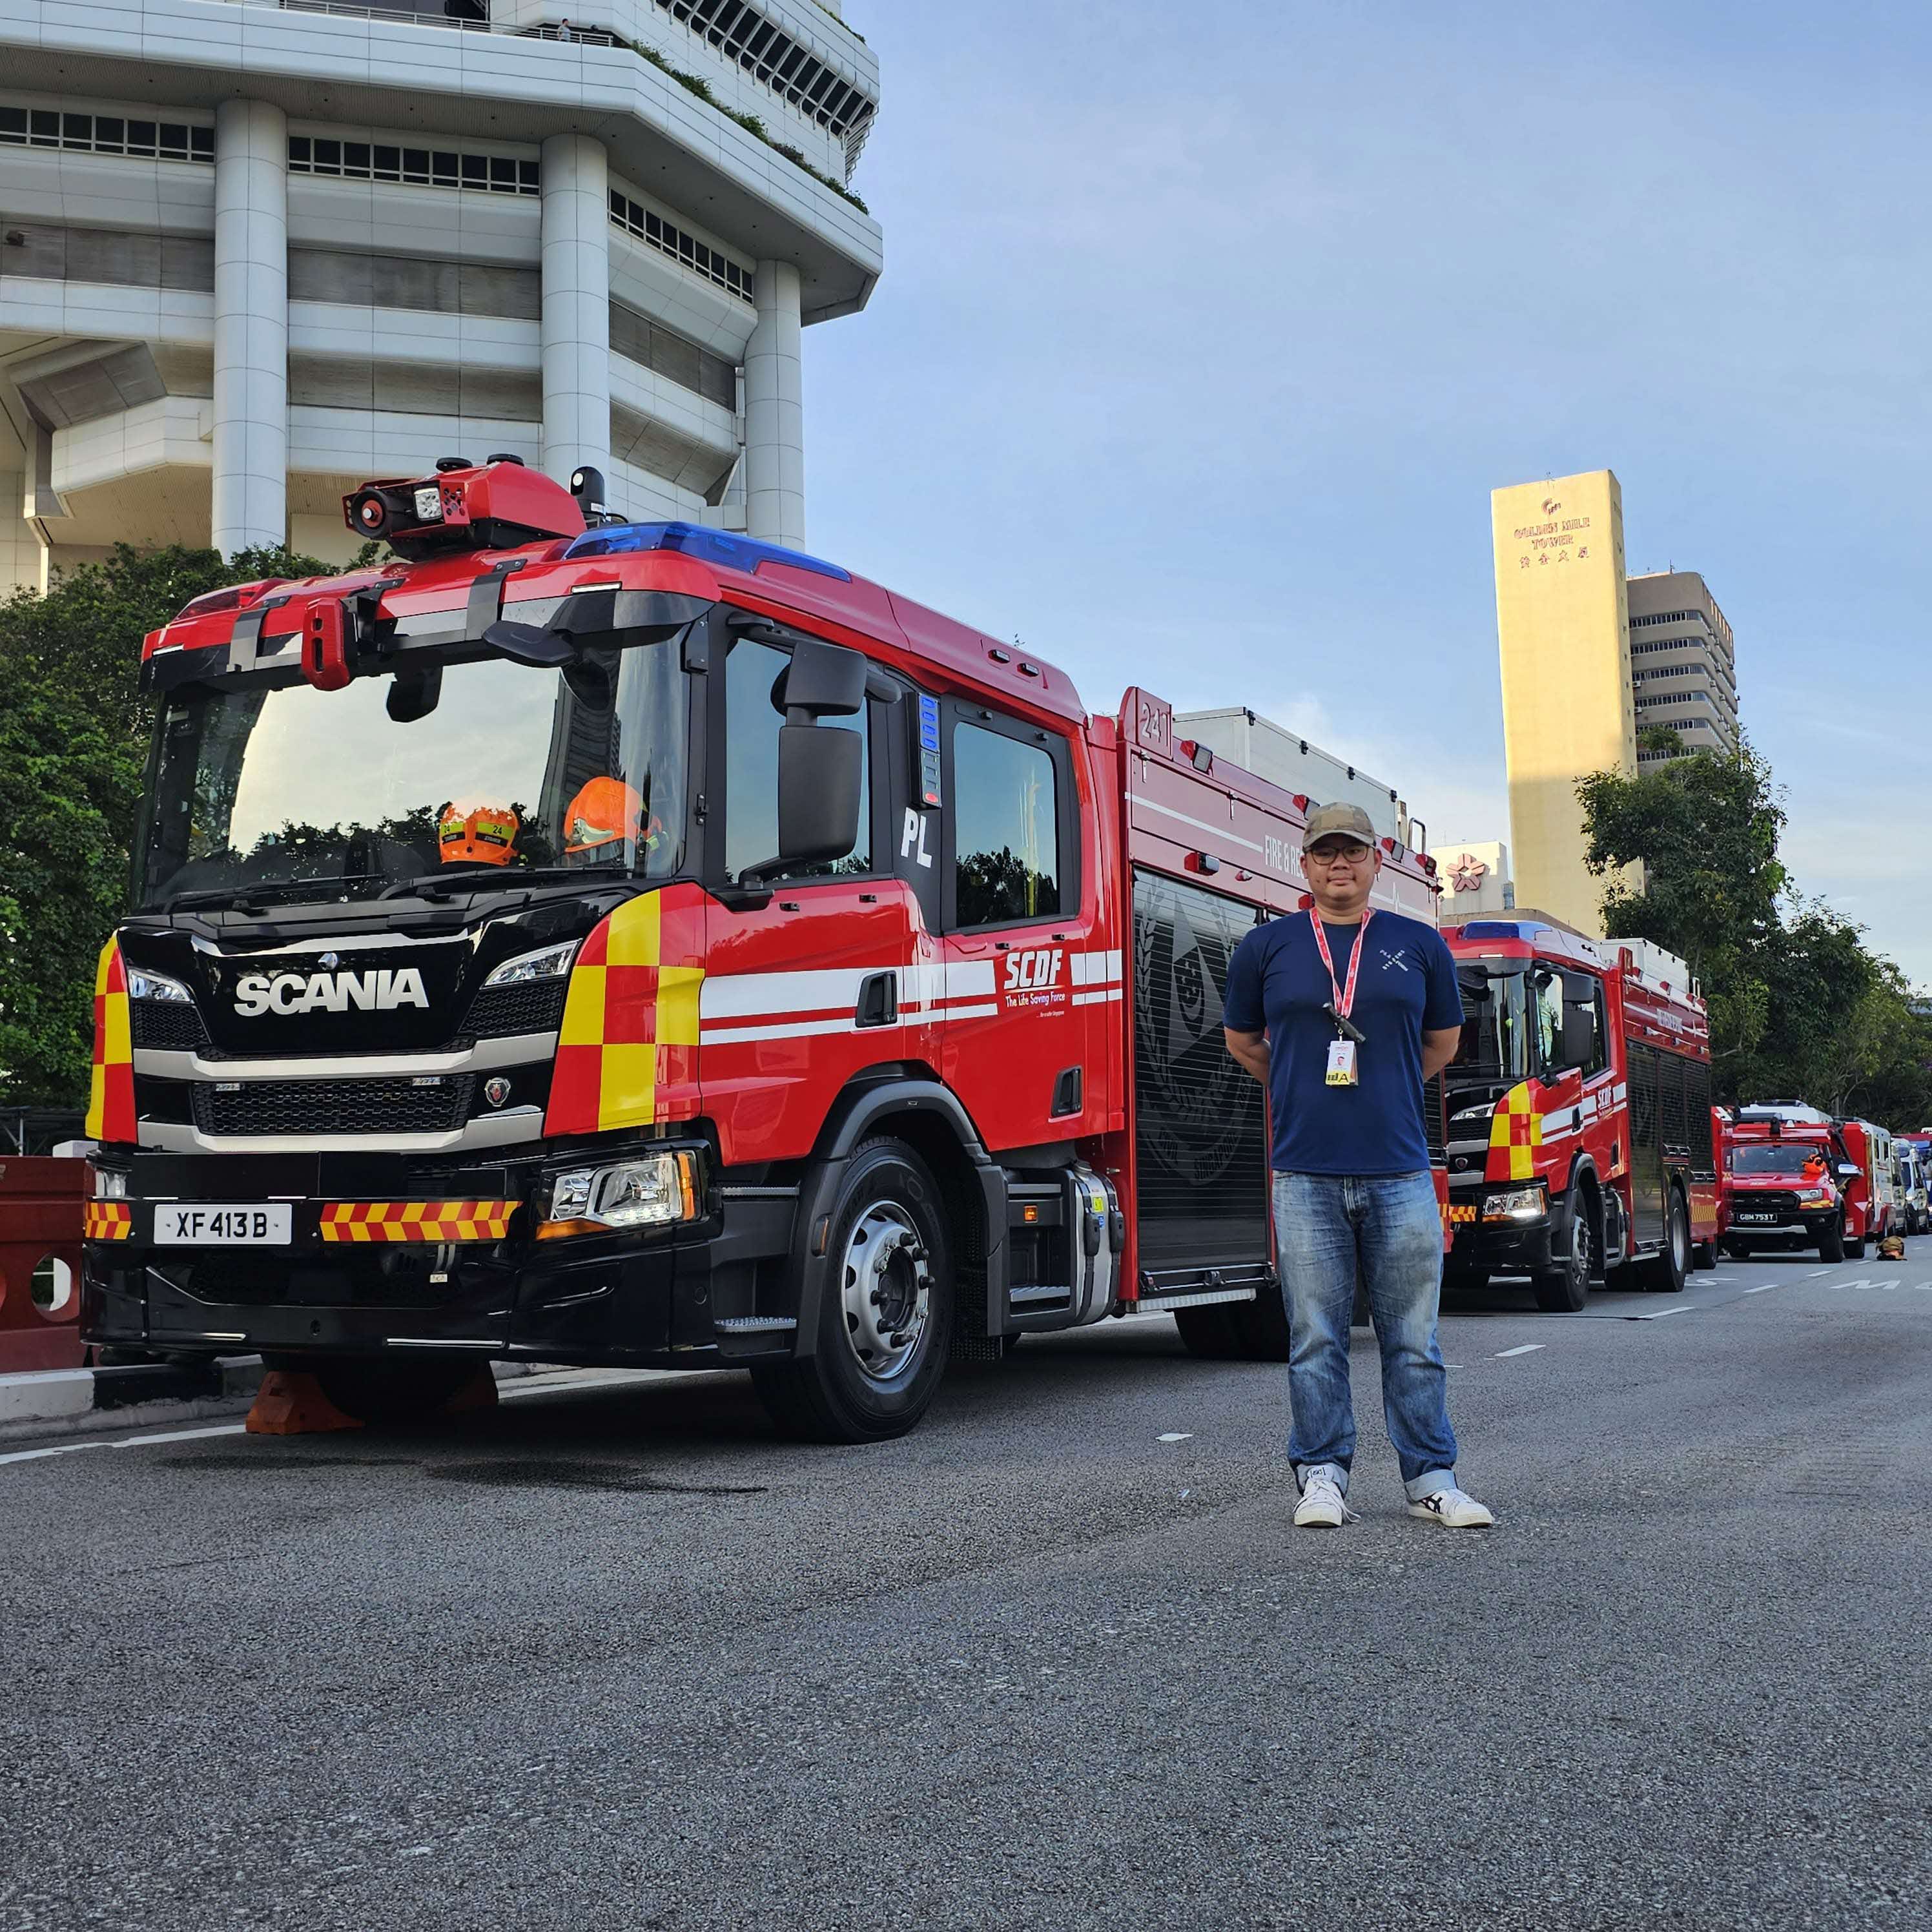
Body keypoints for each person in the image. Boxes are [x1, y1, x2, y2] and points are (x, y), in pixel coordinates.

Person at [1222, 801, 1493, 1530]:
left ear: (1377, 863)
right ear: (1304, 865)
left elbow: (1440, 1043)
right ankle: (1321, 1476)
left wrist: (1388, 1087)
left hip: (1399, 1168)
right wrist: (1297, 1083)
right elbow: (1243, 1041)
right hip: (1304, 1170)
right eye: (1325, 854)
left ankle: (1431, 1478)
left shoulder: (1418, 944)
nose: (1339, 865)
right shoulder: (1266, 947)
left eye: (1353, 853)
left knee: (1413, 1338)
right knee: (1315, 1335)